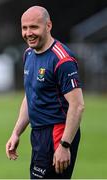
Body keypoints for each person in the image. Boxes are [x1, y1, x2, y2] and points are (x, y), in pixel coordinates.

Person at [6, 5, 85, 179]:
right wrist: (16, 132)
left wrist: (64, 145)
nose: (28, 33)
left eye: (34, 27)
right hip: (39, 134)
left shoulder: (62, 59)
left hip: (57, 134)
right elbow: (31, 95)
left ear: (48, 26)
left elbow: (77, 105)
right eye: (24, 28)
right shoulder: (29, 54)